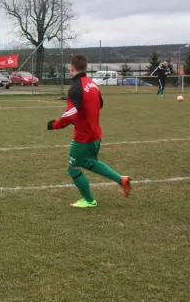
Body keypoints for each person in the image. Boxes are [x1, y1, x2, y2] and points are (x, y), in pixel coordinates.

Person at [47, 54, 130, 208]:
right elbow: (100, 105)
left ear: (72, 68)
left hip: (83, 138)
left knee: (73, 170)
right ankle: (121, 179)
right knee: (89, 162)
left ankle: (89, 200)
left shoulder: (75, 89)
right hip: (95, 134)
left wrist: (55, 125)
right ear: (85, 67)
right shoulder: (93, 85)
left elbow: (71, 113)